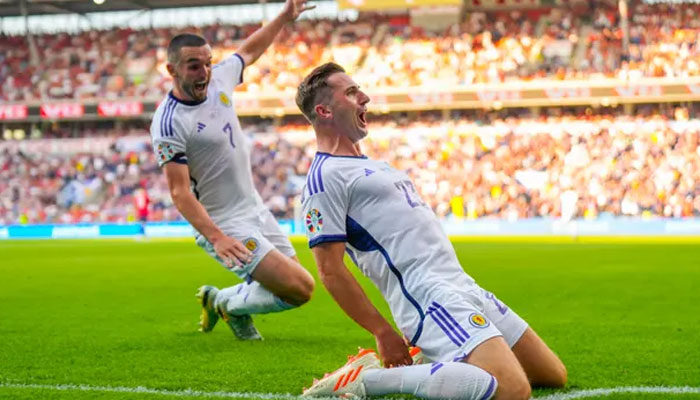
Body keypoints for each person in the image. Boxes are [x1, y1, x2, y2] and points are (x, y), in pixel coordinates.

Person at [295, 63, 567, 399]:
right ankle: (366, 380)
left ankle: (436, 358)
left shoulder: (372, 164)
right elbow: (330, 270)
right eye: (351, 93)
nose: (364, 97)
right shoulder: (324, 179)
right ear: (324, 110)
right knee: (512, 390)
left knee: (552, 375)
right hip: (428, 297)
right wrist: (382, 331)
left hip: (462, 285)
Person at [149, 0, 316, 341]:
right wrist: (217, 237)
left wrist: (284, 16)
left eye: (208, 64)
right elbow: (179, 191)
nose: (205, 73)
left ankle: (224, 302)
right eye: (194, 66)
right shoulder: (169, 122)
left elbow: (249, 51)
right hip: (224, 221)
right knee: (301, 288)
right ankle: (228, 302)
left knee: (291, 283)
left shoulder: (219, 80)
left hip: (253, 206)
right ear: (172, 70)